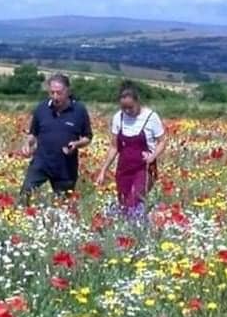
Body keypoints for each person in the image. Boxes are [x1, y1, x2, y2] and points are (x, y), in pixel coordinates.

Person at [95, 82, 166, 217]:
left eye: (130, 107)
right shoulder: (118, 117)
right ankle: (129, 232)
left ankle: (135, 231)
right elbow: (114, 146)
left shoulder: (151, 117)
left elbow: (162, 142)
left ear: (137, 101)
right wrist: (103, 170)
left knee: (133, 202)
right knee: (123, 204)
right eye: (123, 108)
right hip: (124, 168)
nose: (127, 111)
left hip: (144, 168)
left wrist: (152, 156)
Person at [19, 74, 93, 203]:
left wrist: (76, 144)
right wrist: (27, 144)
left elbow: (87, 137)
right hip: (41, 162)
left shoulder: (79, 111)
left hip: (65, 167)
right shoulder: (41, 109)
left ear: (68, 91)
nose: (55, 97)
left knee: (63, 204)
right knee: (25, 195)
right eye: (52, 92)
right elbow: (33, 134)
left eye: (59, 93)